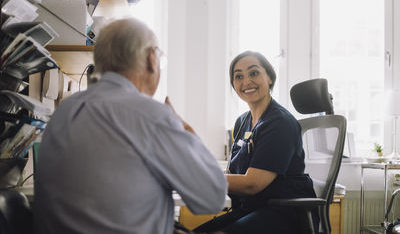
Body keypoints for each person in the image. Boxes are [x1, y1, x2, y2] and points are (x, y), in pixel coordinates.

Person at [34, 18, 227, 234]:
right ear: (152, 59)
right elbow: (213, 197)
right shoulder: (151, 115)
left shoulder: (63, 111)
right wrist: (185, 130)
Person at [194, 51, 317, 234]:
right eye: (238, 76)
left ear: (269, 78)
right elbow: (233, 176)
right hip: (250, 210)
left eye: (253, 73)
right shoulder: (242, 122)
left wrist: (197, 177)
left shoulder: (280, 122)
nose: (246, 82)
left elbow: (252, 184)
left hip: (284, 213)